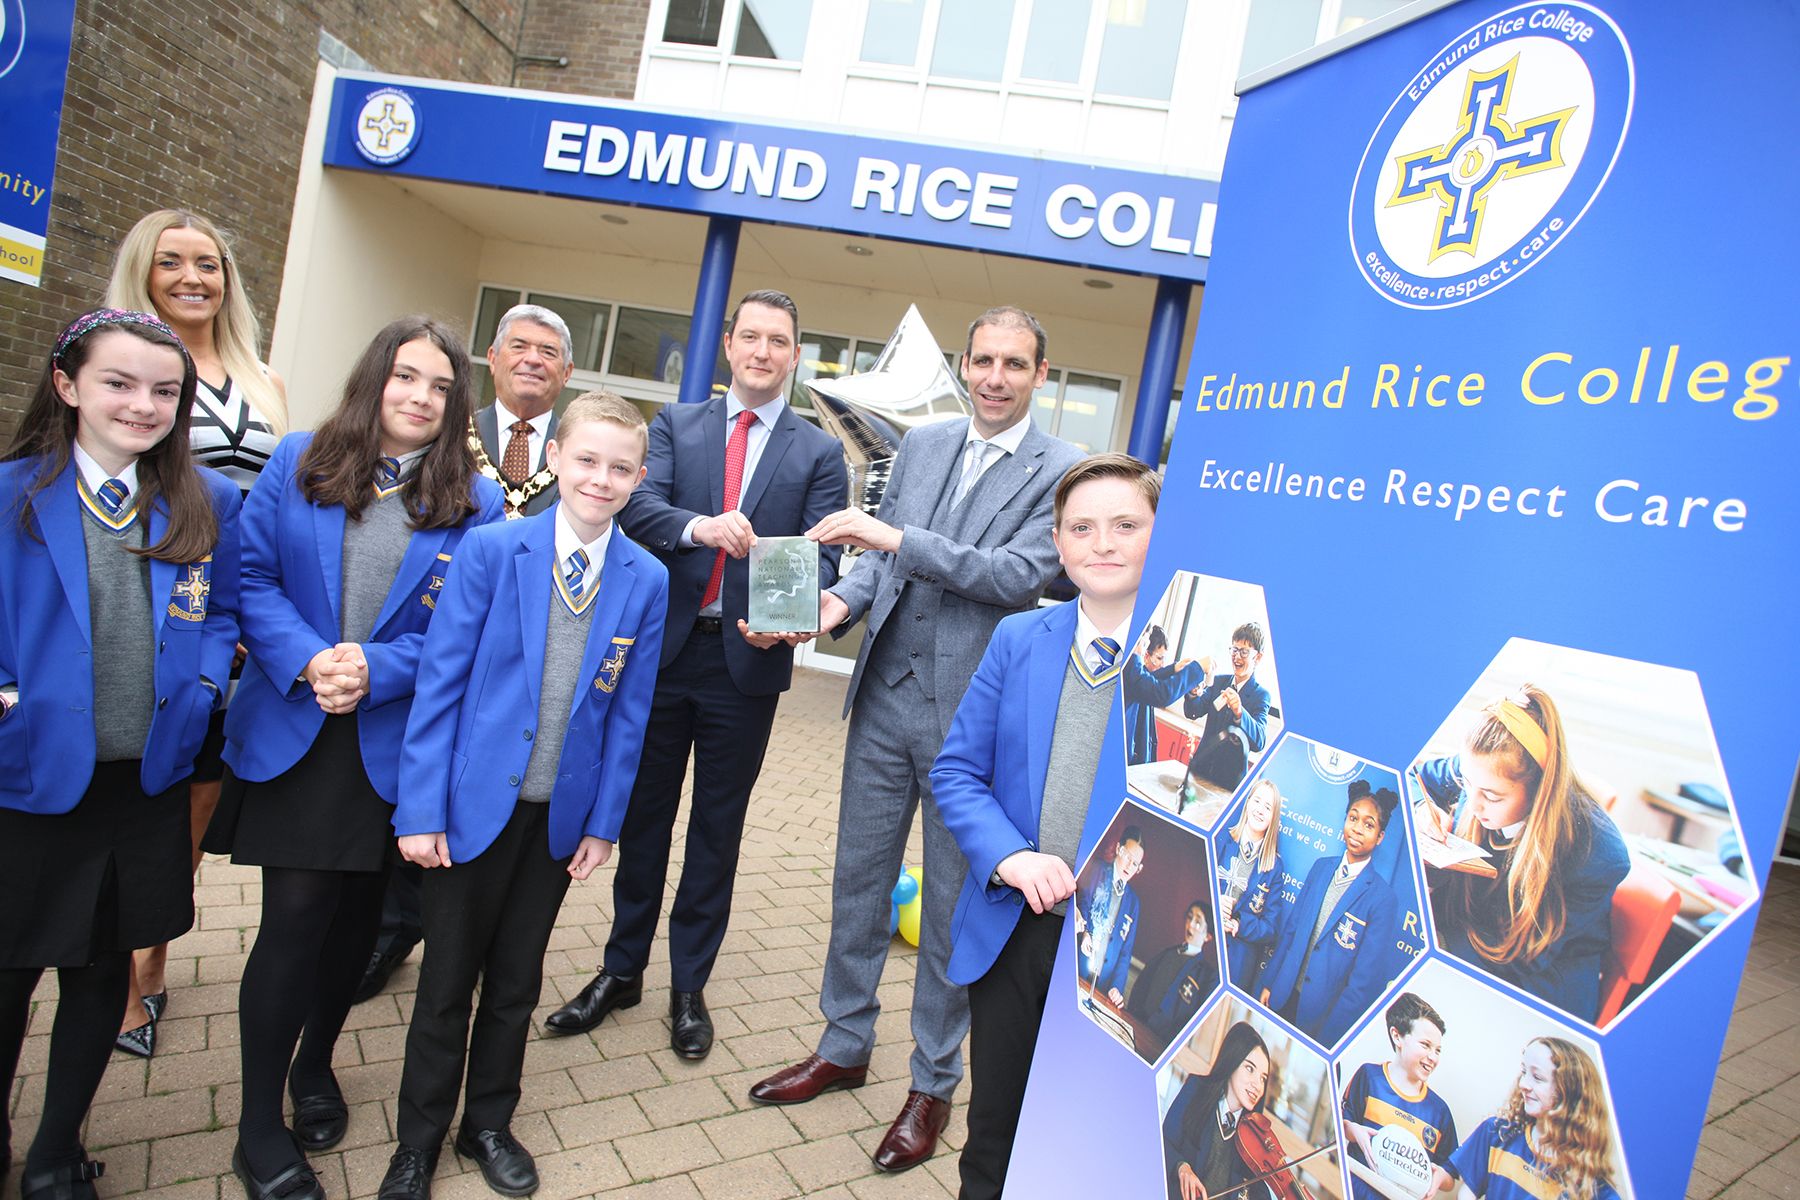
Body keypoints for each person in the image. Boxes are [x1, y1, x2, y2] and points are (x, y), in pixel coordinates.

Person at [749, 306, 1082, 1176]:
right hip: (886, 704)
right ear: (965, 365)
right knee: (857, 883)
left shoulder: (1062, 473)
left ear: (1041, 375)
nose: (996, 377)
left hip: (974, 724)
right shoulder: (925, 445)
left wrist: (891, 538)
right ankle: (843, 1043)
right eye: (983, 361)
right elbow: (875, 562)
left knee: (945, 913)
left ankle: (931, 1085)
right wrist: (833, 607)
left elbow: (1014, 576)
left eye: (1016, 363)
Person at [205, 316, 503, 1200]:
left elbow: (467, 632)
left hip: (392, 739)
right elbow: (246, 578)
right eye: (406, 377)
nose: (419, 396)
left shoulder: (474, 501)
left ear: (456, 405)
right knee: (294, 923)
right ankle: (260, 1128)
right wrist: (308, 658)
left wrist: (375, 667)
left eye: (441, 386)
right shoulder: (299, 461)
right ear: (376, 378)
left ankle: (316, 1066)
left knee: (356, 929)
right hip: (299, 728)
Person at [376, 392, 668, 1200]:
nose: (600, 480)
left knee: (516, 980)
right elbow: (439, 686)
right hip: (469, 813)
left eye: (619, 468)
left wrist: (605, 825)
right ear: (554, 462)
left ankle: (489, 1123)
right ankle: (417, 1142)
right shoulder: (491, 551)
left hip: (557, 819)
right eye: (586, 461)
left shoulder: (646, 579)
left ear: (640, 477)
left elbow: (629, 715)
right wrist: (421, 809)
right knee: (444, 986)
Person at [546, 290, 846, 1060]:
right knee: (642, 817)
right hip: (663, 654)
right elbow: (637, 504)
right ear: (728, 344)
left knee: (717, 830)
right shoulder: (677, 426)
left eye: (779, 340)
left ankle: (688, 988)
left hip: (747, 661)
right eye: (751, 336)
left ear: (793, 354)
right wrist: (698, 527)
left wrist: (797, 614)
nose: (763, 351)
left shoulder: (817, 453)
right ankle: (622, 971)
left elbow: (826, 556)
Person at [0, 309, 240, 1200]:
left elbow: (221, 615)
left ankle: (59, 1149)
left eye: (165, 391)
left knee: (102, 970)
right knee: (10, 970)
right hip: (27, 780)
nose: (144, 405)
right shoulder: (14, 493)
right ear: (67, 386)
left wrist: (208, 683)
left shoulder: (204, 503)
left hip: (142, 783)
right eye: (119, 383)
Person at [929, 452, 1161, 1198]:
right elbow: (957, 773)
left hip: (1116, 948)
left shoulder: (1183, 662)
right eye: (1082, 528)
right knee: (994, 1126)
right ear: (1057, 545)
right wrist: (1010, 859)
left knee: (1088, 1140)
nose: (1103, 543)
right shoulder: (1018, 640)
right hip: (1018, 927)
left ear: (1161, 533)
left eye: (1126, 524)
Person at [104, 209, 289, 1056]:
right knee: (129, 787)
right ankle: (119, 977)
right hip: (146, 599)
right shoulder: (122, 365)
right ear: (143, 271)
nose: (192, 278)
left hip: (235, 612)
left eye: (207, 264)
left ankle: (151, 953)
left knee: (197, 798)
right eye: (171, 262)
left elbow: (280, 506)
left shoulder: (263, 378)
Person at [359, 304, 577, 1005]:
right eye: (519, 346)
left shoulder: (576, 453)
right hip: (443, 650)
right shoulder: (454, 429)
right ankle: (393, 934)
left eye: (549, 351)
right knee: (425, 787)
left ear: (567, 372)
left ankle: (473, 948)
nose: (533, 359)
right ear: (492, 356)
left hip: (527, 665)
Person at [1416, 686, 1630, 1022]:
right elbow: (1417, 778)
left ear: (1538, 790)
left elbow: (1523, 956)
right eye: (1467, 783)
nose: (1473, 803)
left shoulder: (1596, 854)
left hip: (1533, 990)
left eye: (1492, 796)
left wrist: (1435, 938)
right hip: (1463, 938)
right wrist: (1423, 809)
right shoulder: (1482, 769)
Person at [1259, 781, 1401, 1047]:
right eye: (1353, 818)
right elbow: (1291, 931)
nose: (1357, 829)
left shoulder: (1382, 899)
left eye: (1369, 825)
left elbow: (1363, 983)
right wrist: (1270, 983)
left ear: (1380, 836)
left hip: (1319, 1019)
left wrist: (1330, 1037)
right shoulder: (1321, 868)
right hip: (1282, 995)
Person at [1449, 1037, 1619, 1200]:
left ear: (1568, 1093)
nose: (1523, 1084)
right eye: (1524, 1072)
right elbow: (1468, 1190)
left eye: (1537, 1077)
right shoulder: (1497, 1132)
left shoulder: (1590, 1184)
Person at [1340, 992, 1459, 1199]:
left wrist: (1439, 1177)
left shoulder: (1440, 1112)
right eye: (1425, 1045)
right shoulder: (1369, 1077)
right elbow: (1341, 1125)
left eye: (1438, 1050)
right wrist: (1353, 1130)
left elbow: (1450, 1177)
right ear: (1397, 1036)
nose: (1433, 1057)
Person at [1161, 1021, 1276, 1200]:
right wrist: (1182, 1167)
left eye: (1263, 1078)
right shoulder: (1195, 1090)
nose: (1257, 1086)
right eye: (1250, 1069)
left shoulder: (1254, 1135)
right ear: (1232, 1061)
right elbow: (1164, 1141)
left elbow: (1260, 1192)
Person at [1181, 622, 1273, 791]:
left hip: (1229, 782)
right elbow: (1193, 711)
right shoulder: (1219, 682)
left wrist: (1240, 712)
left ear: (1257, 657)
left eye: (1244, 652)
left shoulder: (1261, 695)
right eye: (1234, 650)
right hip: (1199, 771)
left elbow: (1259, 741)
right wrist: (1193, 693)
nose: (1237, 657)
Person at [1215, 778, 1286, 992]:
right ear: (1247, 803)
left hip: (1237, 962)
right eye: (1257, 801)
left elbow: (1270, 928)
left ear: (1274, 818)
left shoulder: (1274, 867)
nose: (1260, 810)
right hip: (1206, 939)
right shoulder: (1218, 838)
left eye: (1268, 807)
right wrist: (1214, 900)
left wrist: (1240, 923)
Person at [1126, 900, 1222, 1051]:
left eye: (1198, 922)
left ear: (1208, 936)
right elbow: (1141, 985)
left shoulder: (1205, 976)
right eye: (1189, 918)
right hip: (1136, 1026)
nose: (1190, 925)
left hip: (1161, 1043)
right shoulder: (1167, 953)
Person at [1076, 827, 1147, 1006]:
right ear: (1117, 849)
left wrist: (1117, 987)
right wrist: (1085, 932)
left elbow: (1125, 952)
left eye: (1135, 863)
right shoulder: (1097, 870)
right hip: (1077, 964)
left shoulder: (1133, 902)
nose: (1129, 866)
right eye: (1127, 856)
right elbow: (1082, 901)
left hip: (1102, 981)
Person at [1123, 625, 1207, 765]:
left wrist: (1175, 669)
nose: (1141, 649)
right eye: (1143, 644)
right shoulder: (1132, 667)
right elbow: (1160, 692)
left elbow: (1153, 677)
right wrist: (1197, 669)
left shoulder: (1138, 674)